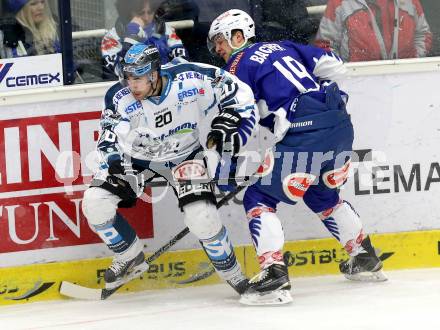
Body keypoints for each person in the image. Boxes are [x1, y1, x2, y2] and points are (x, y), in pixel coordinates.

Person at [207, 9, 387, 305]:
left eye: (220, 41)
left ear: (238, 36)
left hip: (305, 133)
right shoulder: (285, 47)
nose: (218, 49)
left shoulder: (237, 67)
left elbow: (242, 117)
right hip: (339, 125)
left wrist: (225, 166)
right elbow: (335, 67)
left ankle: (273, 274)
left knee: (259, 198)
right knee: (323, 197)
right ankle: (364, 258)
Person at [82, 43, 259, 296]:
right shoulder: (119, 96)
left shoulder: (189, 77)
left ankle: (236, 277)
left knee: (203, 218)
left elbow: (237, 90)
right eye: (129, 78)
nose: (133, 85)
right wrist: (113, 161)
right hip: (136, 159)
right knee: (95, 202)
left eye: (139, 78)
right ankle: (129, 256)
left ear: (154, 74)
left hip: (185, 155)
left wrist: (229, 118)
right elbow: (109, 135)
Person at [314, 0, 432, 62]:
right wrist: (344, 72)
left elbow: (423, 34)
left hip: (406, 75)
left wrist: (414, 61)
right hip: (357, 79)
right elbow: (324, 45)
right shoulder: (338, 3)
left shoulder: (410, 1)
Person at [101, 0, 187, 80]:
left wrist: (165, 76)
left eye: (150, 12)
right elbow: (117, 72)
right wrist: (131, 38)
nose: (146, 18)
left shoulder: (164, 30)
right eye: (140, 13)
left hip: (165, 83)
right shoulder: (112, 37)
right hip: (132, 88)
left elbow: (182, 62)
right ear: (129, 12)